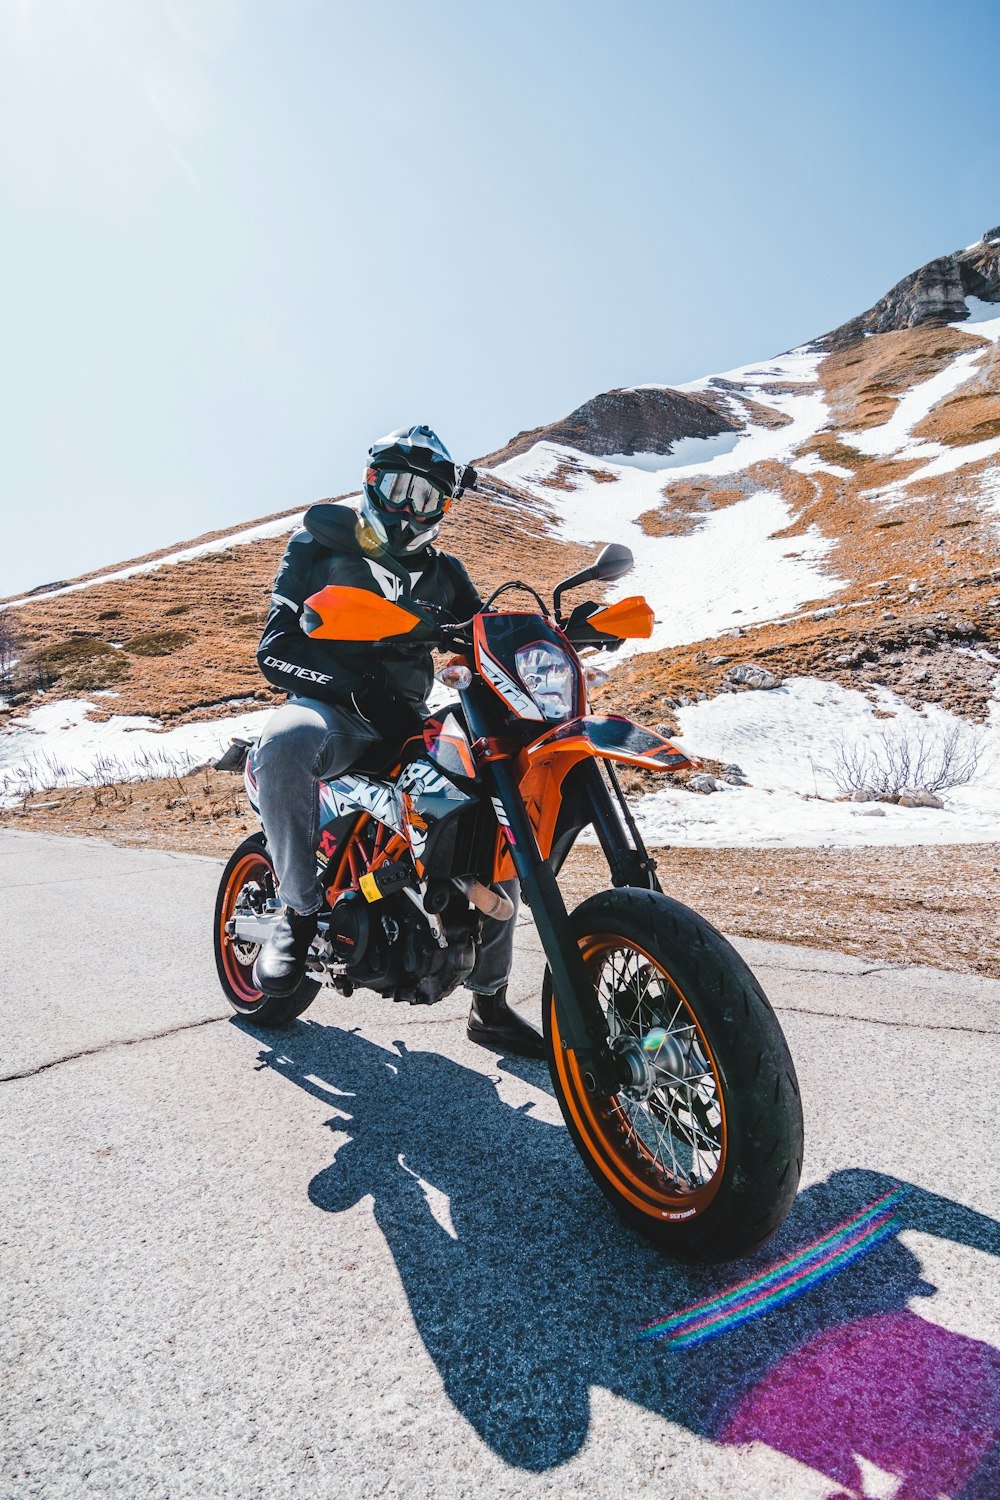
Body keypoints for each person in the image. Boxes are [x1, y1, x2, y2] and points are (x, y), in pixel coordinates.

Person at [251, 424, 543, 1058]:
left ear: (444, 507)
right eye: (397, 488)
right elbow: (275, 649)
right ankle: (295, 915)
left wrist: (548, 643)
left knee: (490, 811)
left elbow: (480, 640)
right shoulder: (319, 541)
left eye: (427, 497)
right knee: (285, 743)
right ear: (369, 483)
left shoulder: (446, 574)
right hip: (333, 713)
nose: (409, 508)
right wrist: (349, 691)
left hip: (412, 724)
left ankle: (488, 1004)